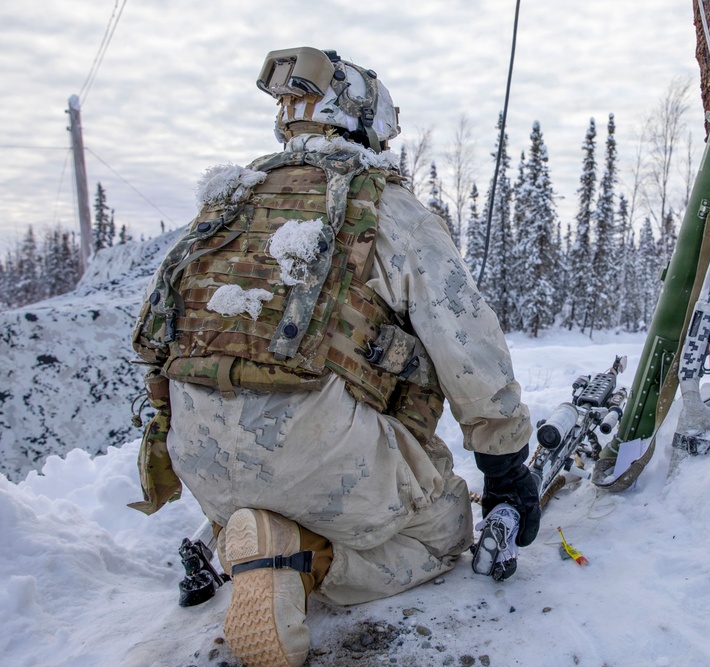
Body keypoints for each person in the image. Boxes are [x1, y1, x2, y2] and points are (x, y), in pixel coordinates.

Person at [130, 47, 540, 667]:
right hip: (324, 453)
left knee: (263, 484)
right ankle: (302, 558)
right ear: (365, 120)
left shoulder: (224, 205)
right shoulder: (387, 206)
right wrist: (505, 466)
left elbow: (159, 337)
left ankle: (231, 534)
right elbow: (469, 346)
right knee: (445, 529)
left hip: (201, 460)